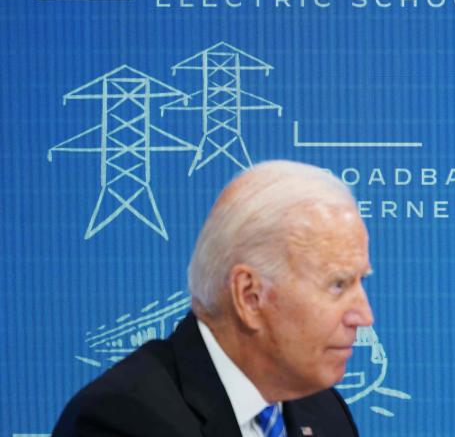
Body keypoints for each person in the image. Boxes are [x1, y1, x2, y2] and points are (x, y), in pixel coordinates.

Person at [52, 160, 375, 437]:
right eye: (337, 285)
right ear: (249, 296)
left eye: (360, 281)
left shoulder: (323, 410)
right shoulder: (119, 421)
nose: (364, 315)